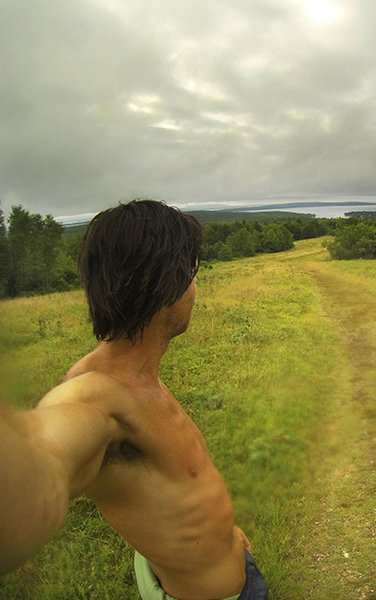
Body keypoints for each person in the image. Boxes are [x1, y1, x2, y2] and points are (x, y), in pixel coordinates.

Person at [0, 199, 269, 599]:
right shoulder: (95, 396)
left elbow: (176, 489)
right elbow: (42, 454)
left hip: (231, 564)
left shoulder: (138, 379)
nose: (195, 289)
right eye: (192, 274)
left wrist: (224, 532)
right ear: (169, 286)